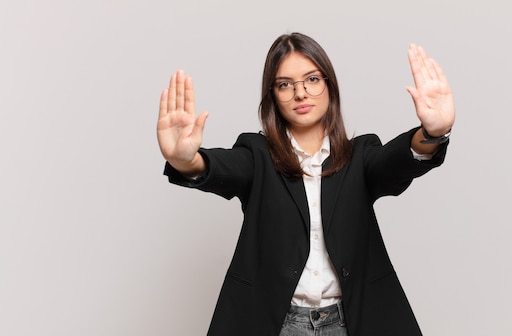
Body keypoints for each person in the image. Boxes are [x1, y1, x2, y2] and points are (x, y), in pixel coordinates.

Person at [157, 32, 455, 336]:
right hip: (278, 324)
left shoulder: (360, 157)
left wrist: (432, 133)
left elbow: (395, 160)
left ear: (329, 85)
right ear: (272, 95)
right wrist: (185, 160)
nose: (300, 93)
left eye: (312, 79)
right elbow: (221, 167)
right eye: (285, 84)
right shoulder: (256, 155)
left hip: (351, 322)